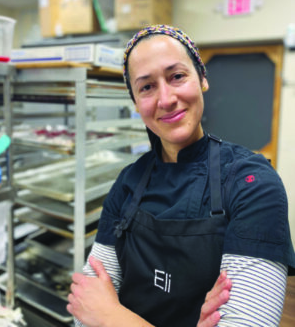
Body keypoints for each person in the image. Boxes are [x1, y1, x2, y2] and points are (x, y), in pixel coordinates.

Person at [68, 25, 295, 327]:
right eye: (146, 87)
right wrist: (99, 312)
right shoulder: (127, 182)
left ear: (202, 79)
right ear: (136, 103)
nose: (165, 99)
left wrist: (113, 316)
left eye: (176, 76)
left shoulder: (251, 184)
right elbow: (86, 310)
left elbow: (99, 314)